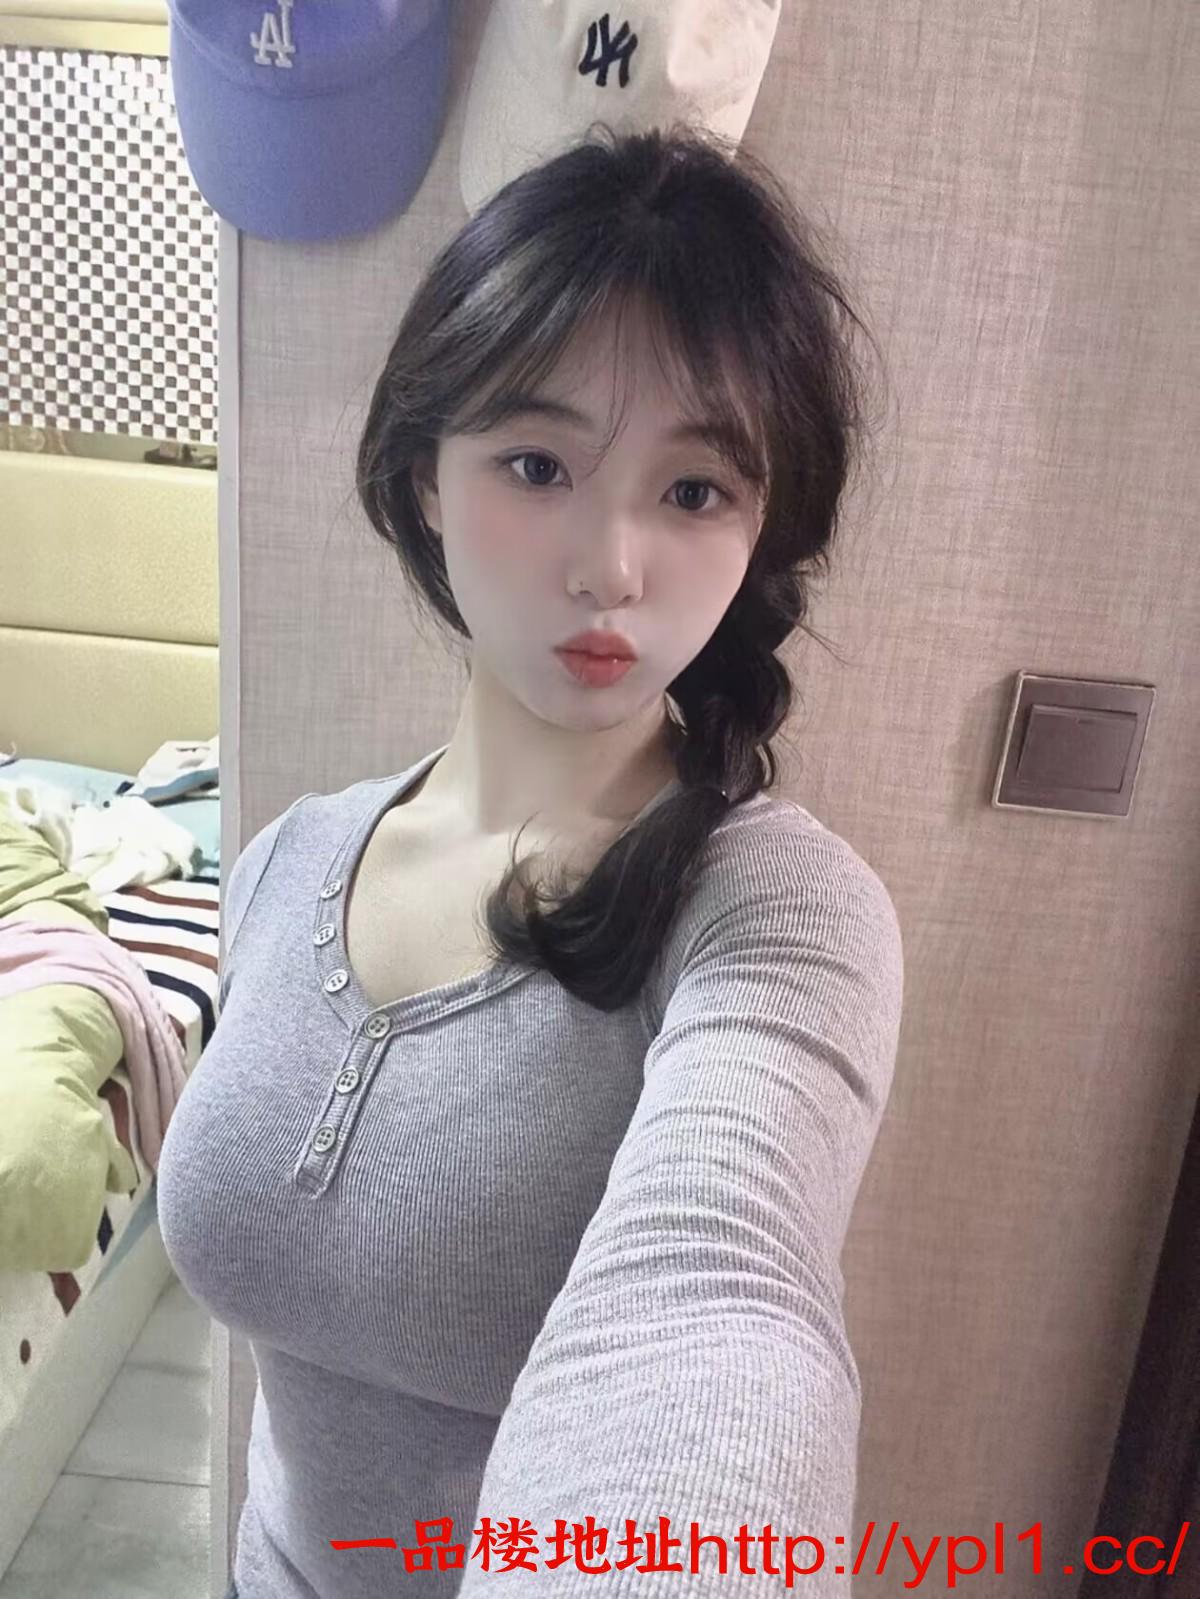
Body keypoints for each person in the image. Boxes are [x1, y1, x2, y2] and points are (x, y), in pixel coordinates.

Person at [160, 121, 904, 1599]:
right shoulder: (288, 859)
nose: (609, 565)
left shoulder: (779, 915)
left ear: (761, 527)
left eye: (694, 491)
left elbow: (722, 1303)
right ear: (427, 476)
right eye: (538, 464)